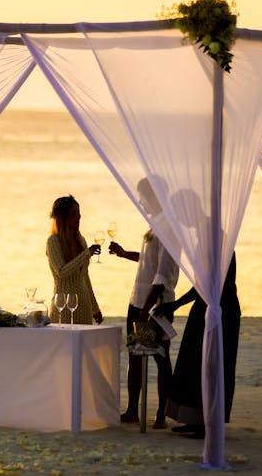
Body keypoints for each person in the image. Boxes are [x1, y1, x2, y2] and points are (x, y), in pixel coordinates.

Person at [109, 177, 179, 428]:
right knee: (136, 356)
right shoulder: (154, 225)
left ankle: (161, 414)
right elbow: (148, 262)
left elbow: (161, 275)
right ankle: (132, 410)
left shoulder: (168, 227)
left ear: (154, 196)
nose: (140, 201)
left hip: (153, 306)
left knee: (159, 358)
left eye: (142, 195)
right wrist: (123, 253)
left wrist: (145, 310)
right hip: (138, 301)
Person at [154, 253, 241, 439]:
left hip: (219, 309)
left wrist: (175, 304)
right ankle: (195, 419)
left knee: (211, 364)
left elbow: (208, 285)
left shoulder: (219, 246)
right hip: (204, 306)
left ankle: (207, 423)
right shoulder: (208, 244)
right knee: (192, 363)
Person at [46, 195, 103, 325]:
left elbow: (85, 277)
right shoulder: (53, 241)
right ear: (63, 218)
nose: (79, 217)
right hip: (63, 307)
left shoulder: (80, 240)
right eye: (73, 214)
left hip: (84, 307)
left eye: (79, 213)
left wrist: (95, 308)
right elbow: (61, 272)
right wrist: (86, 254)